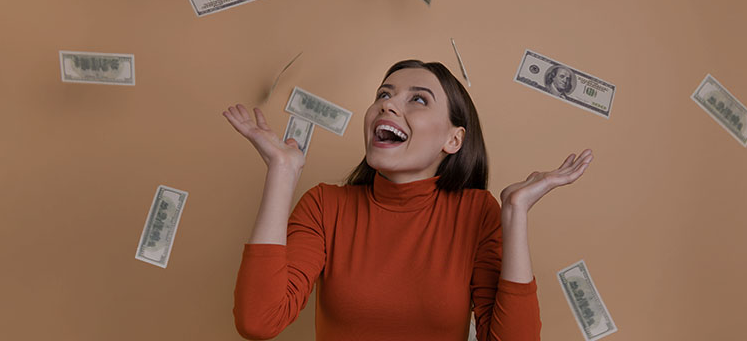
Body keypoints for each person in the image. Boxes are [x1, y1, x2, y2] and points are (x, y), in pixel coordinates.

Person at [221, 60, 594, 341]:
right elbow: (258, 321)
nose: (388, 105)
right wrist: (282, 174)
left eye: (418, 99)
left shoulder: (477, 213)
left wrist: (515, 213)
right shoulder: (324, 206)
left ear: (453, 140)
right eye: (384, 94)